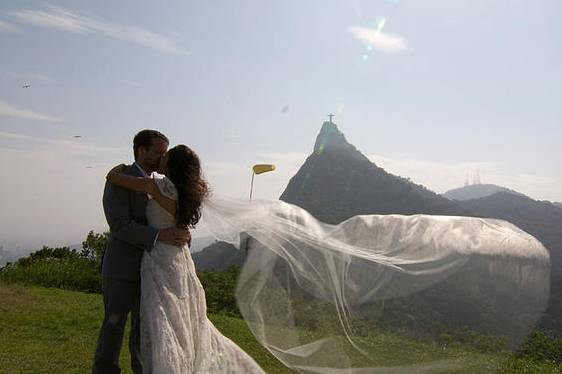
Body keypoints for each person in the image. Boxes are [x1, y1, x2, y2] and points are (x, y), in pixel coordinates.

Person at [105, 144, 265, 373]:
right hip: (179, 259)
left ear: (172, 165)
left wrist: (115, 169)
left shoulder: (158, 186)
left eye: (165, 156)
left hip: (159, 259)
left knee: (161, 319)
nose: (162, 158)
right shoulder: (189, 193)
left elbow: (114, 178)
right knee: (176, 317)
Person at [93, 130, 191, 374]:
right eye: (158, 151)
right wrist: (159, 236)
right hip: (122, 269)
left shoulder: (164, 184)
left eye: (165, 153)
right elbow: (119, 225)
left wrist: (181, 234)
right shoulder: (122, 177)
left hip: (154, 271)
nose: (162, 157)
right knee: (113, 328)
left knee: (145, 330)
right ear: (141, 150)